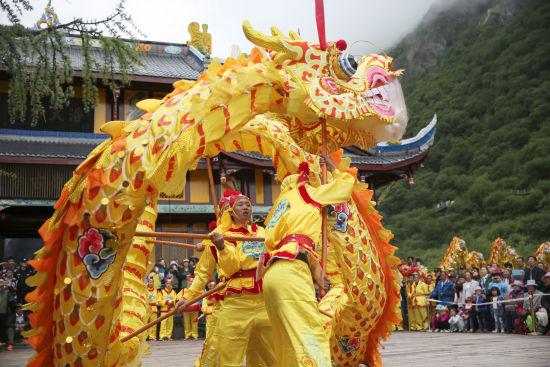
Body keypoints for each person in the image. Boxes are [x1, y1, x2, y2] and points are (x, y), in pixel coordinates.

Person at [260, 157, 355, 366]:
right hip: (292, 270)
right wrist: (332, 166)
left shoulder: (279, 206)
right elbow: (345, 186)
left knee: (286, 341)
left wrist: (318, 275)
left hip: (273, 274)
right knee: (310, 331)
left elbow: (270, 244)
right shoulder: (307, 193)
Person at [204, 190, 276, 366]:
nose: (245, 207)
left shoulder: (263, 232)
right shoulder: (223, 233)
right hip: (236, 303)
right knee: (229, 358)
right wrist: (221, 247)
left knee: (273, 355)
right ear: (231, 211)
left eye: (248, 204)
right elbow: (231, 268)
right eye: (240, 204)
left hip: (264, 301)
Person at [179, 275, 200, 340]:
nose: (191, 283)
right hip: (186, 308)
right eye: (190, 281)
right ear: (188, 282)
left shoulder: (197, 290)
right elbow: (178, 297)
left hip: (194, 308)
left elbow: (201, 297)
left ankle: (195, 335)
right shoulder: (184, 290)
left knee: (194, 322)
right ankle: (187, 335)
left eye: (192, 281)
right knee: (187, 323)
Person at [146, 276, 159, 341]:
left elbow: (158, 299)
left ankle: (152, 337)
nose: (151, 283)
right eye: (150, 282)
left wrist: (156, 303)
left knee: (153, 324)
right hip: (146, 308)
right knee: (145, 324)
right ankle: (145, 337)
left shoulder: (156, 290)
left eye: (152, 282)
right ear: (148, 282)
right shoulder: (144, 289)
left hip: (154, 308)